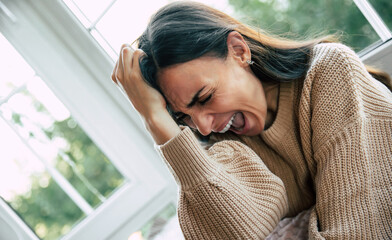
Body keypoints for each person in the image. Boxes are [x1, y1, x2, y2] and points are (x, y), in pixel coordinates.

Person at [111, 1, 392, 239]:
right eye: (183, 117)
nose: (205, 128)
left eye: (205, 97)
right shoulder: (225, 147)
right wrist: (155, 120)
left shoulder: (328, 71)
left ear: (239, 51)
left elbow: (363, 228)